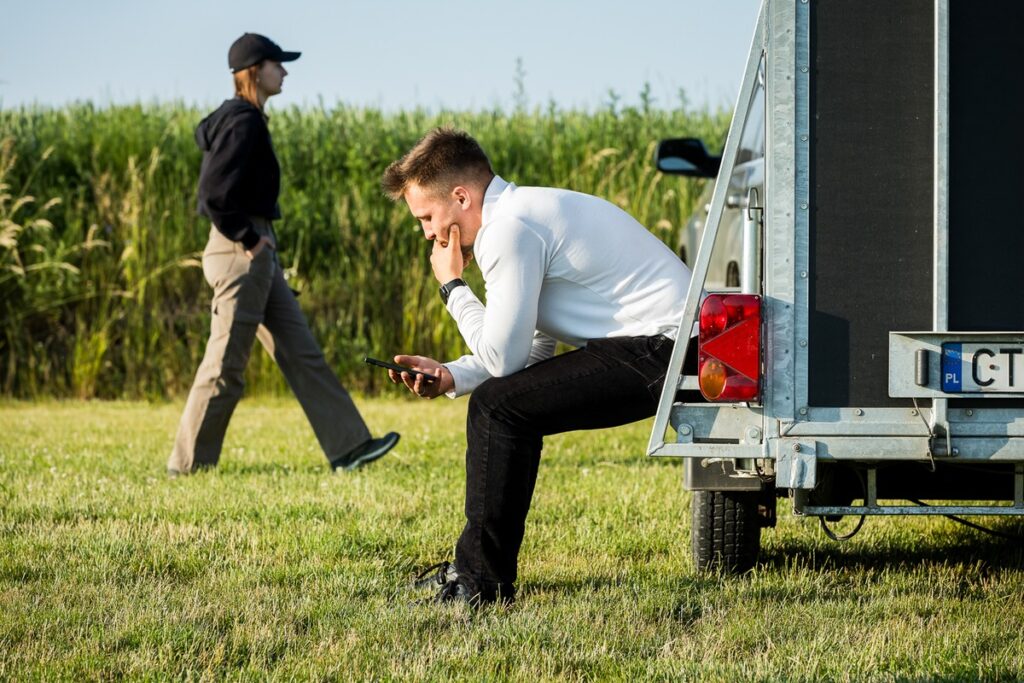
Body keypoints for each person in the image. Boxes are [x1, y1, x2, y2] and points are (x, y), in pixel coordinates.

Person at [381, 128, 693, 605]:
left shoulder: (508, 229)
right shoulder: (522, 216)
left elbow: (505, 359)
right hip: (665, 343)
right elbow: (529, 354)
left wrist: (452, 287)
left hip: (665, 348)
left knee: (497, 408)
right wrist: (451, 374)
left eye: (426, 216)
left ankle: (480, 583)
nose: (426, 232)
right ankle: (479, 573)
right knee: (503, 403)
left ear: (461, 196)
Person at [168, 33, 398, 475]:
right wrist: (251, 239)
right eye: (278, 64)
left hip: (254, 250)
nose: (286, 71)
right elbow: (213, 195)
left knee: (302, 351)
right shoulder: (243, 122)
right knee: (225, 366)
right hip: (241, 250)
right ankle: (188, 466)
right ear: (256, 70)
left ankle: (348, 447)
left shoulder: (246, 119)